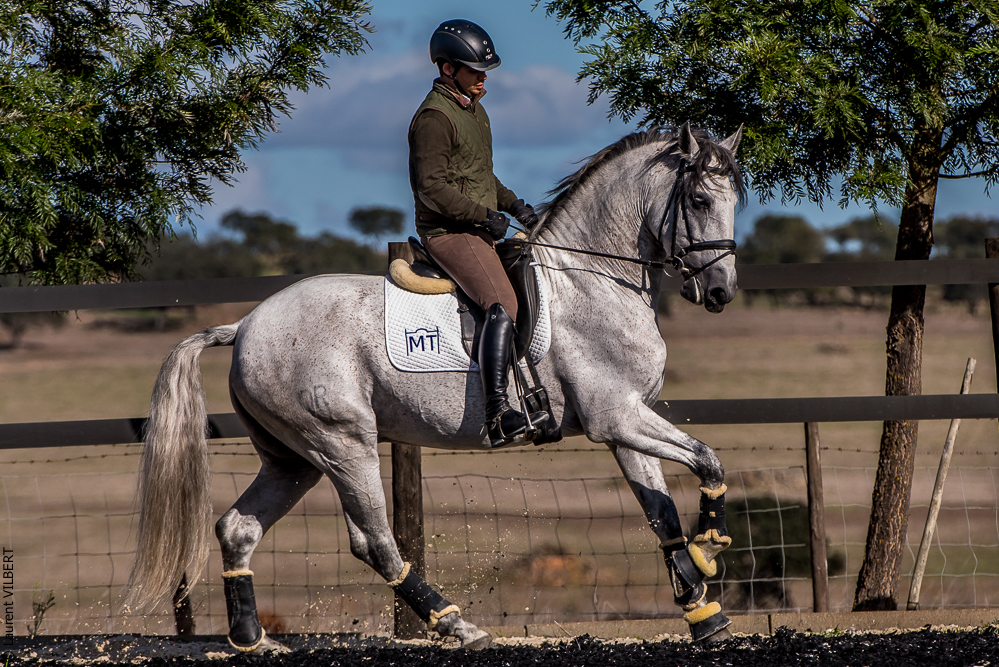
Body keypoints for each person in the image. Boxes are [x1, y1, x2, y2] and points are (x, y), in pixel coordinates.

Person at [408, 18, 547, 448]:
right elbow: (431, 188)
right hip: (448, 231)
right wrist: (485, 217)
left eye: (485, 72)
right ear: (448, 69)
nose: (483, 79)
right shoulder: (434, 117)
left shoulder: (475, 111)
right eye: (475, 72)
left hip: (476, 225)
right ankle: (498, 413)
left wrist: (516, 205)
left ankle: (537, 401)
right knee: (501, 301)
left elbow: (480, 175)